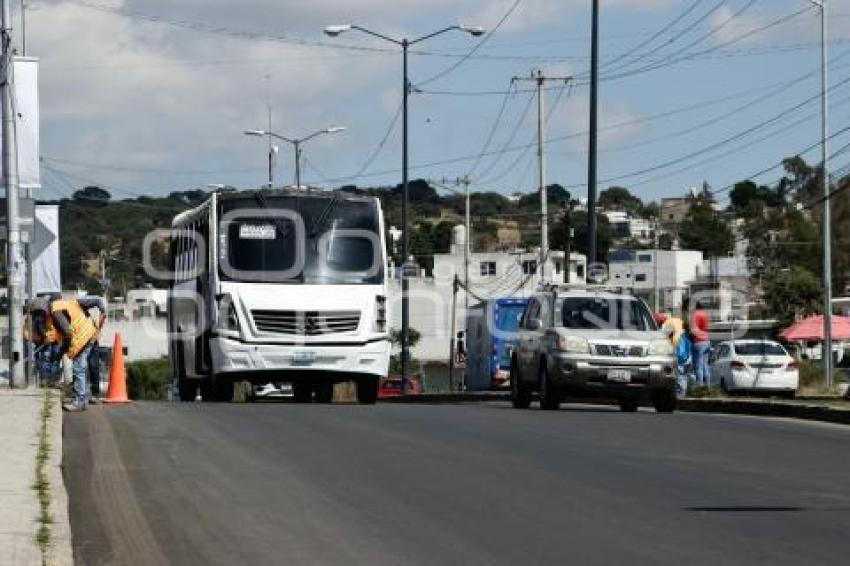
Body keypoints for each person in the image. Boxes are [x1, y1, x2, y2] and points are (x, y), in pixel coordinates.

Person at [47, 296, 108, 412]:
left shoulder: (55, 310)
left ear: (50, 304)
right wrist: (103, 311)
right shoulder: (72, 302)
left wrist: (65, 348)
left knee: (78, 368)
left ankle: (80, 401)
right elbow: (97, 301)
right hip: (91, 334)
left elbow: (68, 332)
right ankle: (82, 399)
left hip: (81, 339)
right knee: (83, 367)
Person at [690, 303, 712, 388]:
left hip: (698, 342)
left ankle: (700, 387)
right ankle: (707, 388)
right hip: (707, 341)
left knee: (698, 367)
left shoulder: (695, 315)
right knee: (705, 366)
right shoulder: (705, 315)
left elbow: (693, 330)